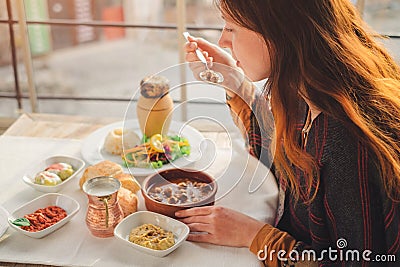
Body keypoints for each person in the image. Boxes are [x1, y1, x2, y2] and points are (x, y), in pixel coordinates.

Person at [175, 0, 400, 266]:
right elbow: (279, 152)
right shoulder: (305, 89)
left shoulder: (346, 139)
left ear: (277, 32)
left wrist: (256, 237)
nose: (223, 41)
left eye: (231, 27)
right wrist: (233, 80)